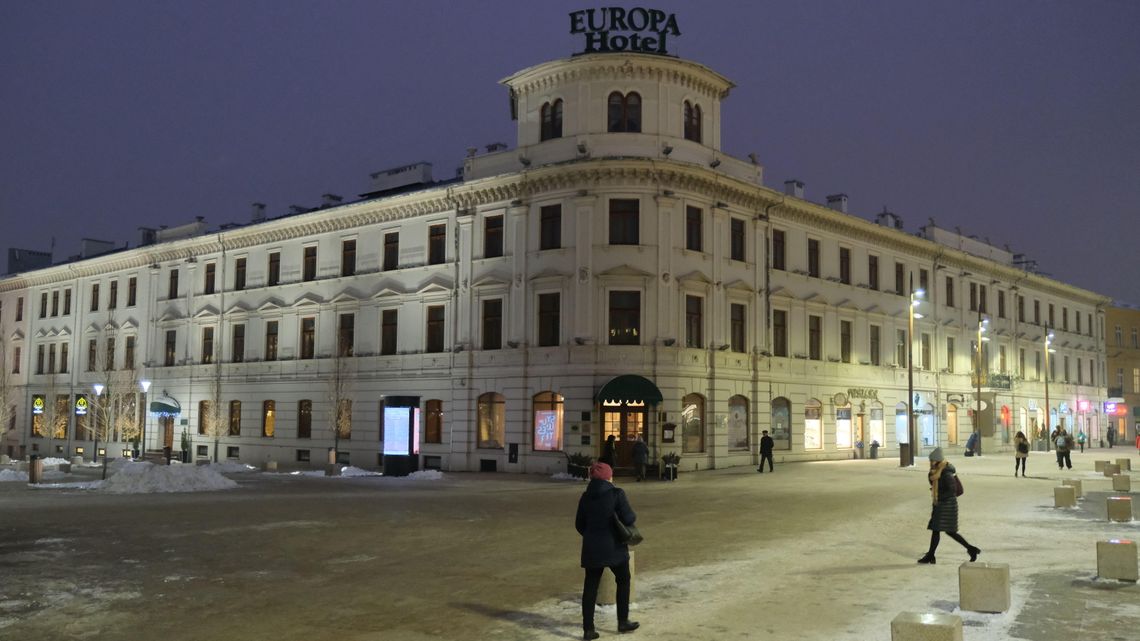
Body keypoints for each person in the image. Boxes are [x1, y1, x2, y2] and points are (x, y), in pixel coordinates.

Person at [575, 462, 640, 639]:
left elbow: (579, 524)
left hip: (592, 548)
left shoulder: (585, 496)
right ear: (608, 477)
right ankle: (623, 621)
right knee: (623, 579)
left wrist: (592, 535)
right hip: (615, 547)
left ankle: (588, 629)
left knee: (590, 587)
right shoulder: (616, 493)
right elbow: (629, 518)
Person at [917, 447, 980, 565]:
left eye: (932, 460)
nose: (930, 462)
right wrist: (932, 475)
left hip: (948, 505)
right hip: (941, 504)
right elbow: (932, 481)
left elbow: (952, 490)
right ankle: (931, 555)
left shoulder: (946, 472)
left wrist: (939, 496)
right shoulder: (936, 471)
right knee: (938, 530)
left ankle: (970, 549)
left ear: (938, 460)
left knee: (948, 531)